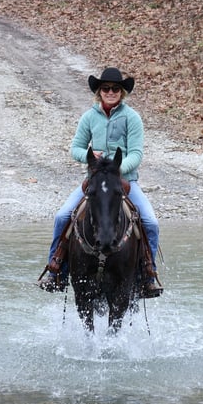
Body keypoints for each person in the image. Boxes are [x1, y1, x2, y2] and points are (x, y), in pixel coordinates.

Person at [39, 67, 163, 298]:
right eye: (105, 88)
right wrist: (88, 156)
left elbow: (136, 153)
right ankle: (55, 269)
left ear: (122, 92)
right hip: (94, 180)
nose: (110, 92)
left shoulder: (132, 118)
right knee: (63, 216)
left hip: (124, 181)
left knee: (151, 222)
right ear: (99, 91)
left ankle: (148, 273)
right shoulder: (88, 117)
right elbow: (75, 148)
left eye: (115, 88)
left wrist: (116, 170)